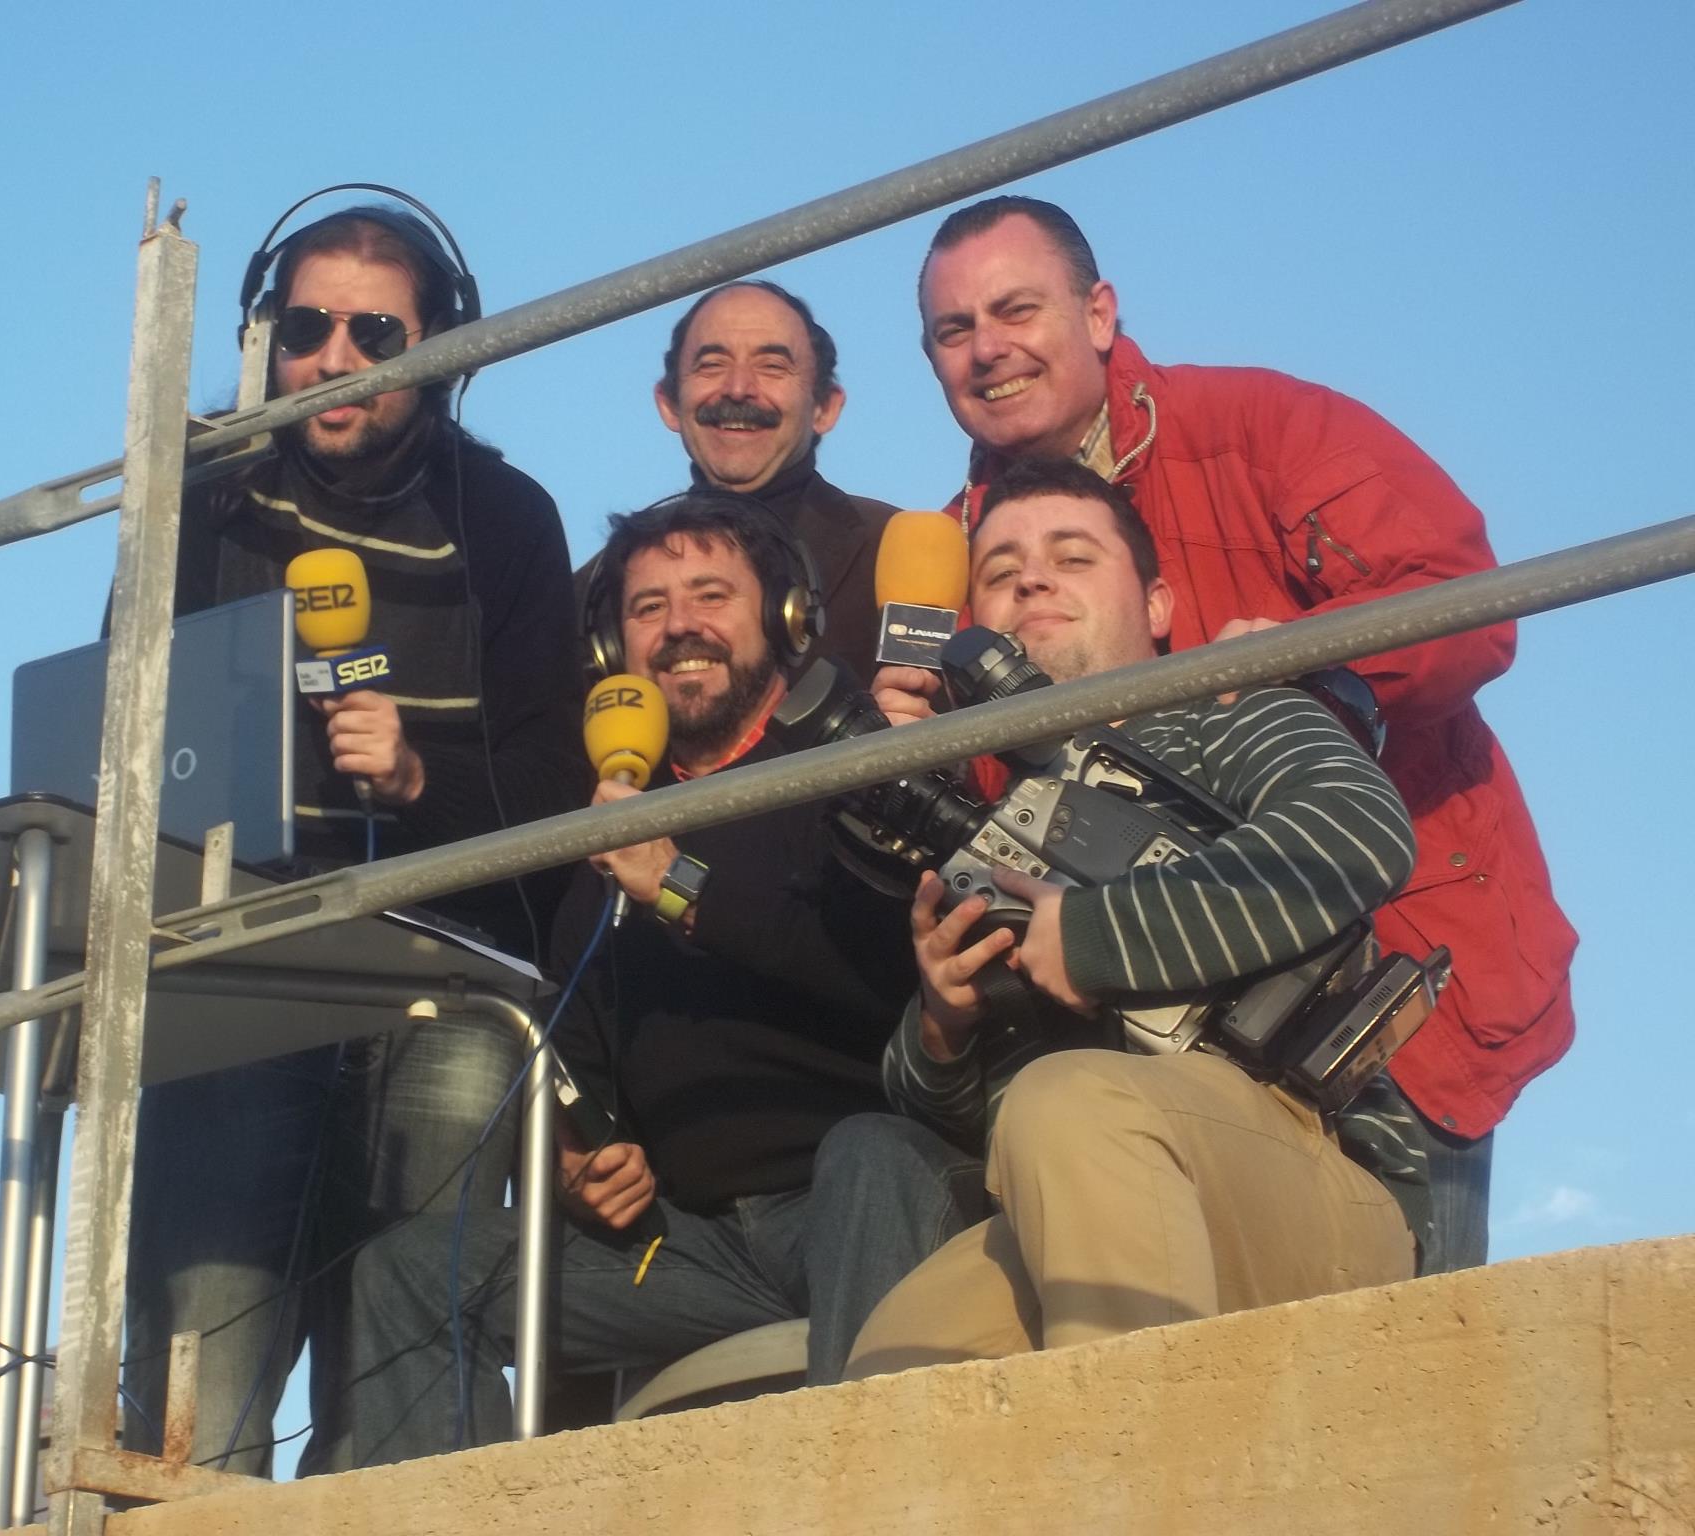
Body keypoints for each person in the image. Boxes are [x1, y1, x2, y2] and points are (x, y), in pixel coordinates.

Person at [911, 195, 1576, 1272]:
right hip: (1134, 1025)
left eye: (1013, 309)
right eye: (951, 330)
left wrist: (1309, 663)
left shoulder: (1261, 427)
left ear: (1098, 311)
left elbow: (1463, 601)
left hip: (1382, 982)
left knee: (1410, 1367)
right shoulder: (945, 558)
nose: (986, 349)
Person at [343, 491, 974, 1467]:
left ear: (785, 620)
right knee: (411, 1271)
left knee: (866, 1153)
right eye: (646, 608)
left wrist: (677, 883)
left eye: (709, 594)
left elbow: (875, 974)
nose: (678, 624)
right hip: (693, 1248)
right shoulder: (602, 847)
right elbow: (574, 1070)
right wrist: (577, 1170)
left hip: (870, 1195)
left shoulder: (853, 769)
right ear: (612, 656)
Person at [122, 199, 587, 1477]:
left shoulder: (504, 518)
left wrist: (423, 774)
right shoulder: (202, 493)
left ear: (444, 350)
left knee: (406, 1388)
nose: (332, 357)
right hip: (245, 967)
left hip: (443, 978)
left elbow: (558, 786)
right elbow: (121, 721)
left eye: (373, 331)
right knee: (192, 1381)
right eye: (306, 326)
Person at [848, 459, 1423, 1375]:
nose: (1030, 579)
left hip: (1313, 1169)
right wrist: (944, 1026)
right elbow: (953, 1118)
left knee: (1072, 1106)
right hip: (1094, 1206)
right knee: (898, 1353)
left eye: (1071, 557)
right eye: (997, 573)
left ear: (1157, 606)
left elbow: (1354, 832)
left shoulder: (1227, 703)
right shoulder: (996, 828)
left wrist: (1089, 938)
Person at [639, 280, 895, 675]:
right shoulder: (603, 590)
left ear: (825, 407)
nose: (739, 389)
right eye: (711, 365)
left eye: (772, 366)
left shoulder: (895, 547)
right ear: (669, 403)